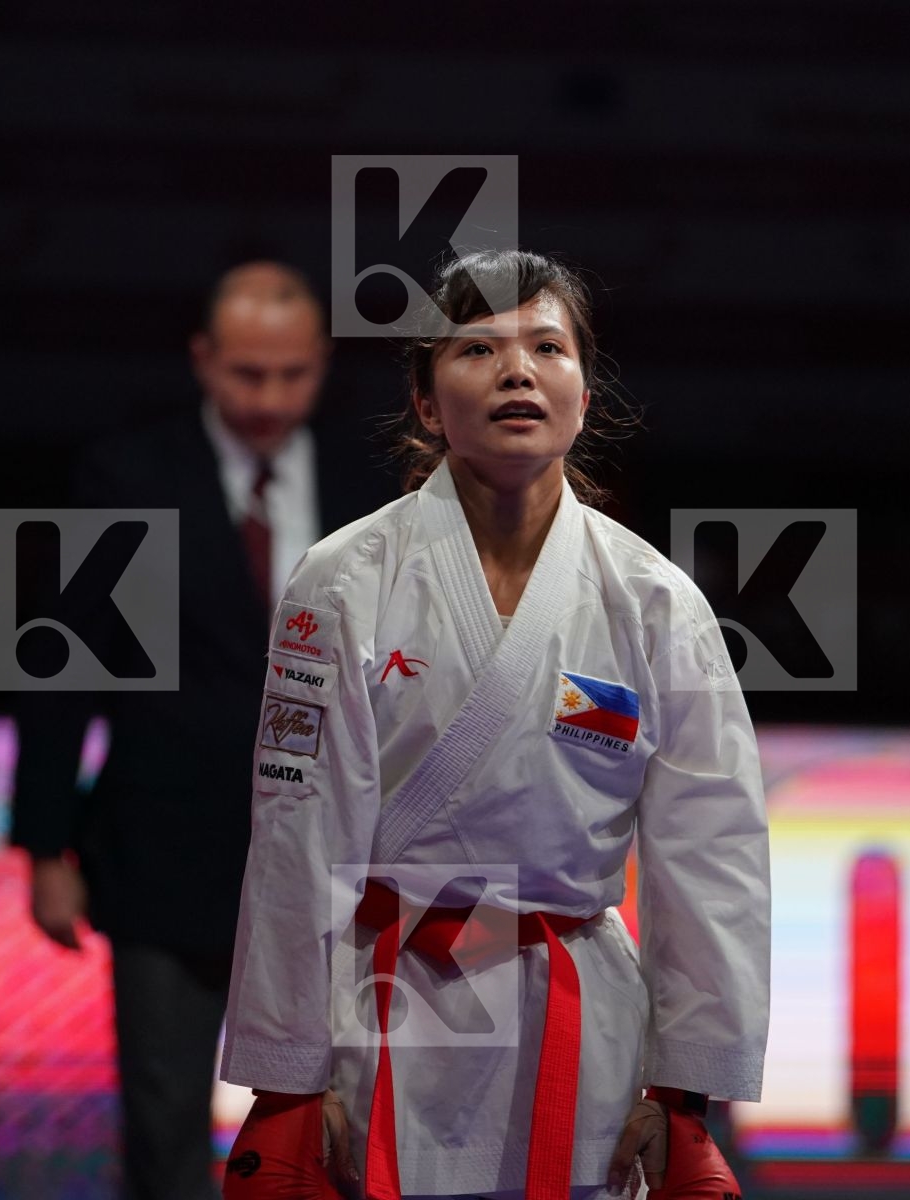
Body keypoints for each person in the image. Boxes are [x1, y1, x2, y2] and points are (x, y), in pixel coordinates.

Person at [217, 249, 770, 1200]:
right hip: (383, 1026)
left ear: (584, 394)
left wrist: (686, 1098)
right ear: (428, 405)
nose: (517, 370)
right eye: (479, 348)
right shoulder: (341, 582)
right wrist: (287, 1086)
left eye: (546, 347)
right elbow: (296, 842)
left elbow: (712, 853)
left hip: (580, 1033)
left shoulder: (653, 602)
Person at [9, 261, 395, 1200]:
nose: (268, 398)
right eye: (245, 374)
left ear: (323, 363)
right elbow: (59, 673)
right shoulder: (122, 473)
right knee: (165, 1123)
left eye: (291, 375)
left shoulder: (381, 481)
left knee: (350, 1129)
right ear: (202, 359)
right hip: (161, 846)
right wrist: (44, 843)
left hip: (341, 860)